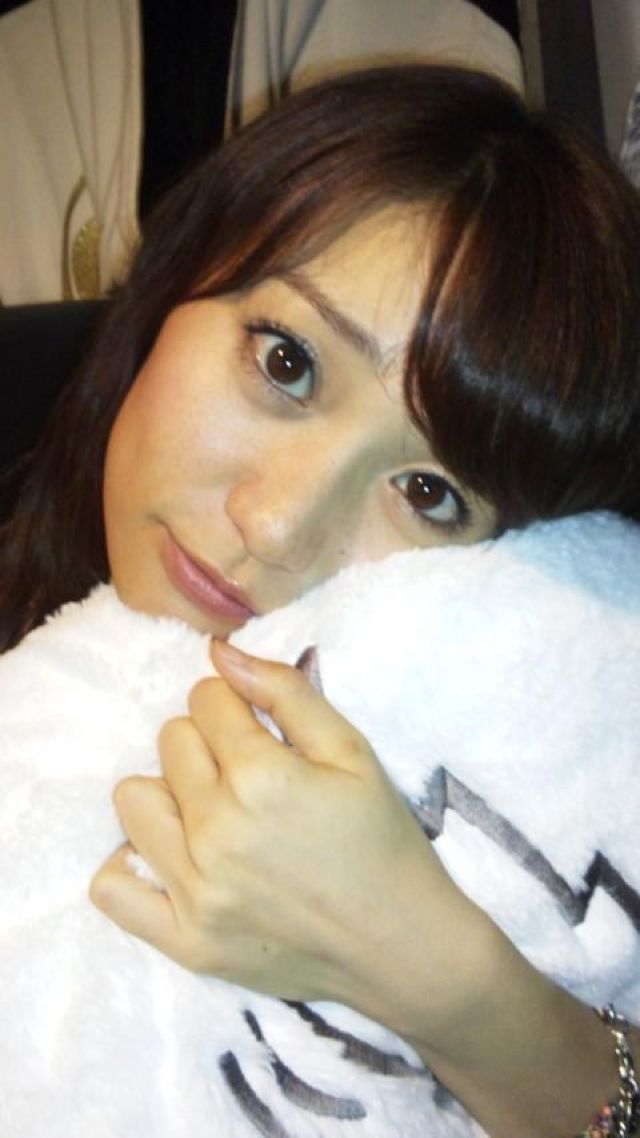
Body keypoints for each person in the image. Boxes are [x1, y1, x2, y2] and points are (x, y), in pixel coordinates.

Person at [1, 65, 639, 1138]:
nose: (276, 524)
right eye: (287, 363)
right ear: (175, 282)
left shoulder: (533, 814)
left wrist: (441, 976)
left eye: (427, 493)